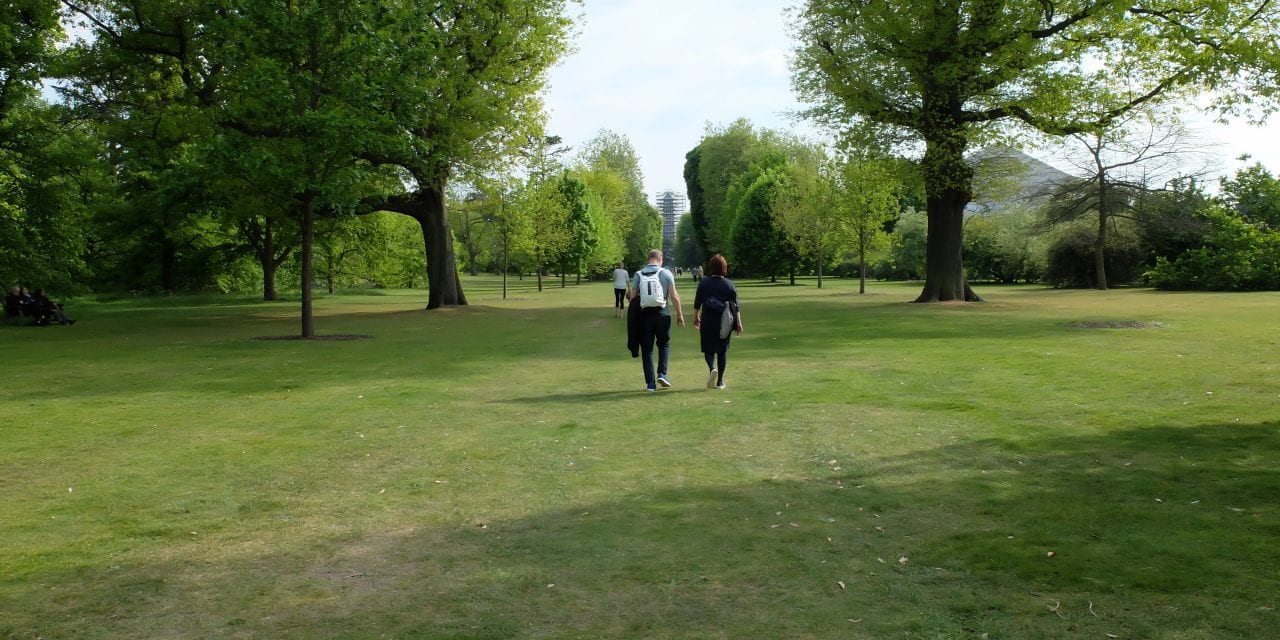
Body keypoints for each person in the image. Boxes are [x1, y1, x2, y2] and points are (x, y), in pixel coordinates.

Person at [630, 249, 685, 391]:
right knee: (664, 344)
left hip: (644, 317)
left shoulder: (638, 274)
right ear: (660, 259)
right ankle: (662, 373)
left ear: (649, 259)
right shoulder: (666, 273)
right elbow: (674, 296)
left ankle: (650, 384)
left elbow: (632, 297)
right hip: (663, 314)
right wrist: (679, 314)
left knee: (647, 350)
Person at [693, 254, 743, 389]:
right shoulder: (729, 285)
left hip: (708, 319)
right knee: (722, 351)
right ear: (724, 268)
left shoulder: (704, 282)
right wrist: (738, 323)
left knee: (708, 349)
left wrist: (695, 317)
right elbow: (736, 306)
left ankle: (712, 368)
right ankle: (720, 381)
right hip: (724, 321)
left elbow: (697, 302)